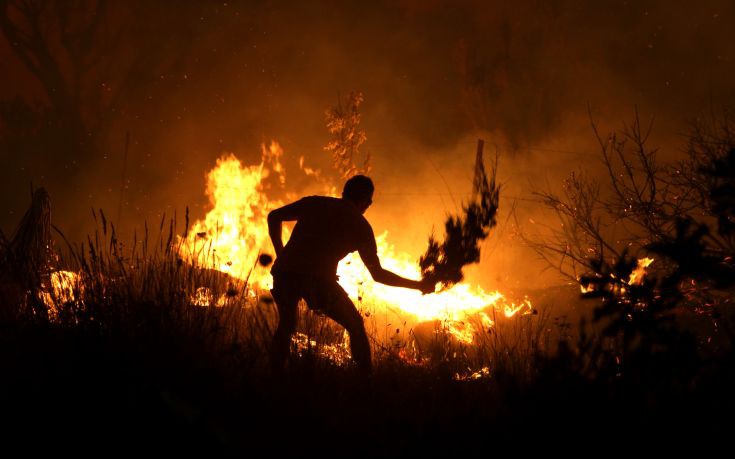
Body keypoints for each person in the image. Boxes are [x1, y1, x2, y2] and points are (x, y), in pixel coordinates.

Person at [267, 175, 434, 374]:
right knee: (355, 325)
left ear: (344, 193)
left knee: (286, 324)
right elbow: (378, 274)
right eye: (369, 200)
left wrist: (281, 253)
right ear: (366, 201)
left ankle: (274, 375)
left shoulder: (314, 203)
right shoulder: (361, 227)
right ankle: (365, 381)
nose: (369, 204)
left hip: (285, 274)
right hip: (318, 281)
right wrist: (418, 285)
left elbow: (274, 216)